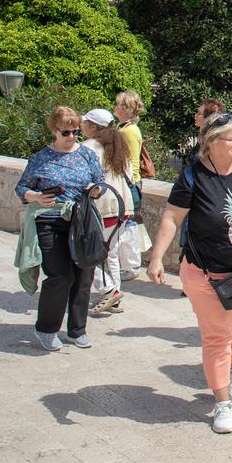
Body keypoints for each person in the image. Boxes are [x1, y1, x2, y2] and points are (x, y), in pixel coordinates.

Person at [146, 112, 232, 433]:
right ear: (211, 142)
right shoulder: (193, 177)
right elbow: (171, 218)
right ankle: (221, 403)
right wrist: (156, 257)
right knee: (219, 338)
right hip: (206, 274)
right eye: (231, 138)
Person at [14, 106, 106, 350]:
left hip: (81, 220)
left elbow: (100, 182)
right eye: (66, 132)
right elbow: (22, 188)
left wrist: (96, 190)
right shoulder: (40, 158)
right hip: (49, 219)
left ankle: (77, 329)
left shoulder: (87, 155)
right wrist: (35, 196)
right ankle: (46, 328)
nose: (72, 137)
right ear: (55, 131)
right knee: (59, 275)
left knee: (83, 274)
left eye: (76, 132)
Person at [80, 108, 137, 316]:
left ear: (93, 126)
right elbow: (131, 176)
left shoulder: (87, 148)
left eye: (85, 122)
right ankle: (114, 296)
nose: (81, 125)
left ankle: (108, 290)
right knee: (110, 254)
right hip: (121, 206)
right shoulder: (119, 146)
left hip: (101, 207)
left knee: (90, 252)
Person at [113, 90, 147, 215]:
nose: (114, 106)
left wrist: (130, 185)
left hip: (129, 183)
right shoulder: (122, 127)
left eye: (116, 104)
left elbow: (133, 160)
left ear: (123, 108)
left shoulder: (129, 131)